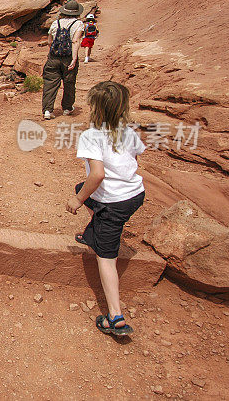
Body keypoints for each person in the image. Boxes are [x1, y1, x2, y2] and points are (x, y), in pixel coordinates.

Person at [66, 81, 146, 337]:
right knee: (83, 187)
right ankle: (95, 230)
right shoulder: (130, 132)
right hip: (135, 194)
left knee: (106, 258)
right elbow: (133, 160)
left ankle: (115, 316)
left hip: (113, 202)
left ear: (94, 108)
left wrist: (78, 200)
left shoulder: (91, 135)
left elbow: (97, 174)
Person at [42, 0, 85, 120]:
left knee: (50, 84)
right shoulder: (78, 24)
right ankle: (67, 108)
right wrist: (74, 58)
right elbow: (76, 41)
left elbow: (49, 41)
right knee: (69, 83)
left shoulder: (56, 23)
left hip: (53, 57)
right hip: (68, 57)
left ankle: (47, 110)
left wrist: (52, 53)